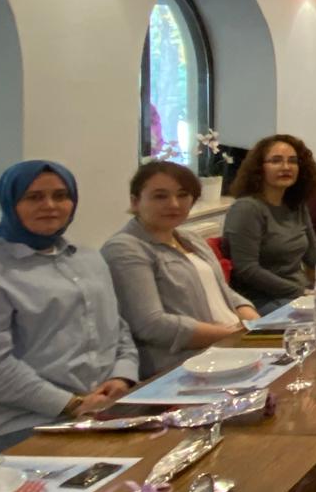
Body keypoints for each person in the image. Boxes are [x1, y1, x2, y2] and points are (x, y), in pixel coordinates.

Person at [0, 161, 138, 454]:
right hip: (22, 426)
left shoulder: (88, 259)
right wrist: (72, 404)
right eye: (34, 197)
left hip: (103, 409)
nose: (49, 206)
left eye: (60, 196)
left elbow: (117, 328)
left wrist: (122, 376)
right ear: (10, 202)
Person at [102, 161, 256, 377]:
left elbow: (221, 289)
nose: (174, 204)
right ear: (135, 202)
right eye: (160, 196)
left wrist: (255, 323)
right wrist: (230, 335)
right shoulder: (124, 249)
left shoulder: (190, 238)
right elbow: (150, 324)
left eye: (182, 195)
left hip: (232, 344)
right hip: (185, 365)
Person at [223, 134, 316, 313]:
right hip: (263, 300)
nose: (286, 167)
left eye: (292, 161)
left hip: (301, 293)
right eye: (276, 161)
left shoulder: (296, 205)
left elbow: (314, 255)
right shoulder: (247, 208)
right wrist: (301, 292)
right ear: (259, 168)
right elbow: (246, 269)